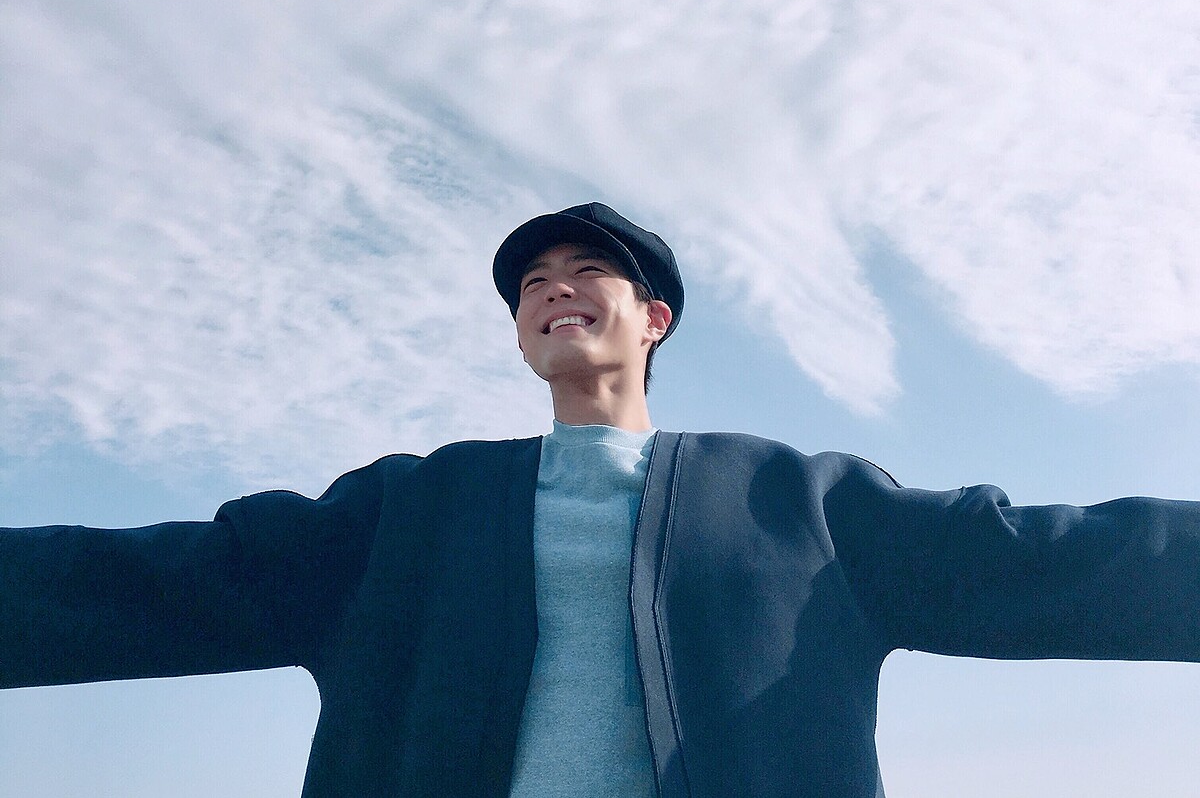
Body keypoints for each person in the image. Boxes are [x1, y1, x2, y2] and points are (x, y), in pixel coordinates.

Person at [3, 201, 1200, 798]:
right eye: (531, 282)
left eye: (586, 271)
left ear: (652, 318)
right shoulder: (410, 511)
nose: (553, 289)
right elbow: (150, 580)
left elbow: (1041, 556)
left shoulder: (799, 505)